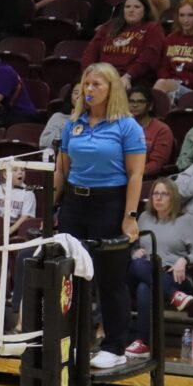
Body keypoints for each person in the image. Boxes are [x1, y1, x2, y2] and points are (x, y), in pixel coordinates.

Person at [53, 62, 146, 369]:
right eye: (87, 84)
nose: (89, 90)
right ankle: (75, 343)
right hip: (75, 204)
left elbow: (135, 175)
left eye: (97, 85)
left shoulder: (127, 126)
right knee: (71, 277)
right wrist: (53, 204)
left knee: (110, 278)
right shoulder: (73, 124)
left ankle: (115, 346)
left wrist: (130, 216)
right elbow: (63, 170)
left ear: (112, 89)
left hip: (110, 203)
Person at [126, 177, 193, 358]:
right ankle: (172, 295)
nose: (158, 198)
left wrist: (183, 260)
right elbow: (134, 246)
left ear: (173, 197)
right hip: (149, 270)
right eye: (155, 194)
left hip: (175, 277)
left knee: (146, 288)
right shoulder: (144, 218)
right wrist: (134, 252)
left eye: (164, 194)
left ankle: (143, 343)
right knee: (137, 265)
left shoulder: (186, 220)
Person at [81, 0, 164, 88]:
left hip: (132, 79)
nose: (131, 10)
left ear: (145, 10)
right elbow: (90, 51)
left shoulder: (152, 28)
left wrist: (129, 76)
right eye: (127, 7)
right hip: (102, 76)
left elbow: (149, 57)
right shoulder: (109, 26)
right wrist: (89, 72)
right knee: (77, 89)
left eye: (137, 7)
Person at [153, 0, 193, 102]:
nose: (185, 20)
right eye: (182, 15)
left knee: (162, 84)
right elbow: (163, 68)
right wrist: (171, 81)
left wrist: (178, 80)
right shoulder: (170, 39)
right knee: (161, 84)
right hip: (168, 84)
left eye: (190, 15)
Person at [127, 86, 172, 178]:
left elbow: (155, 165)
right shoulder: (122, 126)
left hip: (144, 179)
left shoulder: (162, 130)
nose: (135, 105)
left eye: (140, 101)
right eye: (131, 101)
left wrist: (131, 173)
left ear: (150, 106)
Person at [0, 166, 37, 234]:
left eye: (22, 170)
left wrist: (9, 231)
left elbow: (24, 217)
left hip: (18, 229)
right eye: (15, 170)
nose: (20, 172)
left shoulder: (28, 193)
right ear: (5, 175)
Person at [40, 83, 81, 149]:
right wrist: (68, 124)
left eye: (83, 94)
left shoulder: (97, 120)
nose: (78, 97)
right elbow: (43, 144)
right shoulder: (58, 117)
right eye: (76, 93)